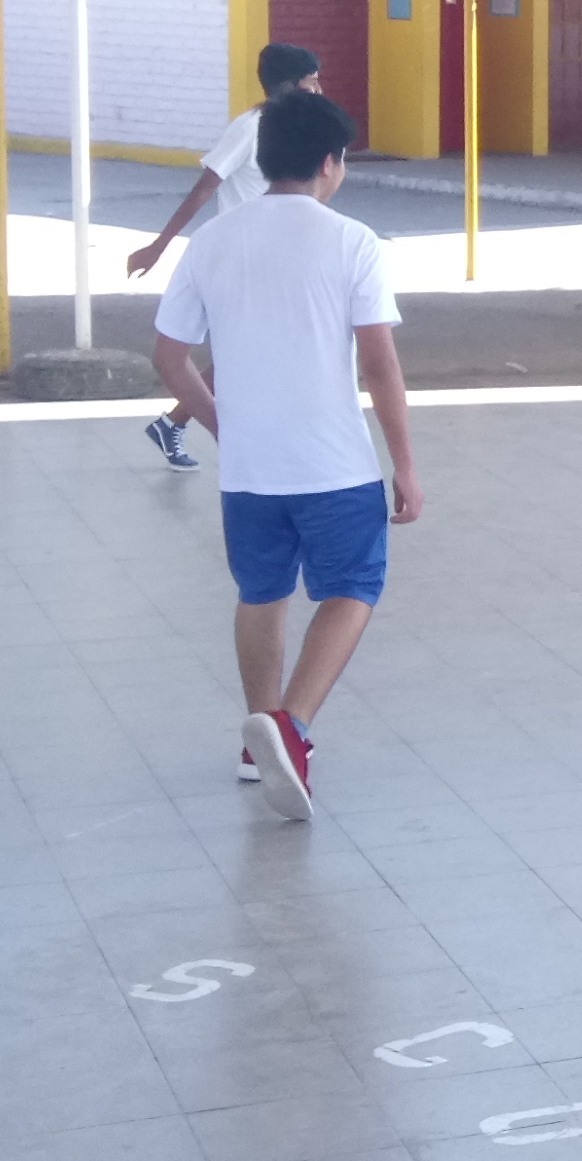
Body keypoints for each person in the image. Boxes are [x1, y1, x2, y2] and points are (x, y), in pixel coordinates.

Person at [147, 91, 421, 822]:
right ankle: (290, 727)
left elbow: (169, 357)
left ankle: (256, 740)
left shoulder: (212, 242)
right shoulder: (353, 241)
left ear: (265, 159)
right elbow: (380, 365)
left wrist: (221, 426)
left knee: (260, 591)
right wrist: (405, 463)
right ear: (330, 163)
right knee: (353, 586)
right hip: (336, 466)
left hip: (250, 472)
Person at [129, 44, 323, 469]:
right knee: (250, 351)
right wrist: (159, 246)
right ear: (290, 85)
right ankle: (203, 427)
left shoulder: (301, 128)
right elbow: (204, 188)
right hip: (244, 258)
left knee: (252, 350)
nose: (319, 89)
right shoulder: (249, 128)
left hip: (281, 257)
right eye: (312, 81)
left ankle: (175, 423)